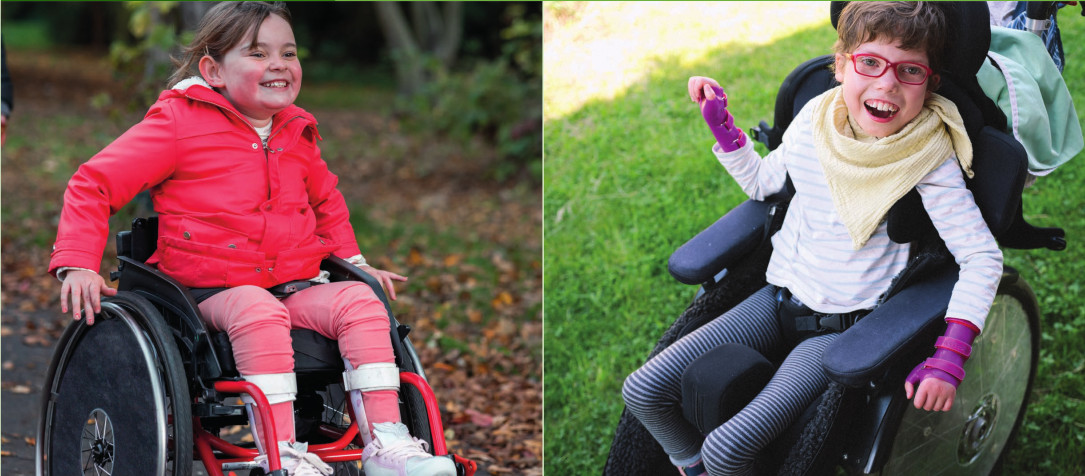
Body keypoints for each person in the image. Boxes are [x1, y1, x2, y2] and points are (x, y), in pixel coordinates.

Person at [47, 3, 455, 476]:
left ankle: (388, 445)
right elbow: (93, 182)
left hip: (291, 284)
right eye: (258, 53)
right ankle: (281, 455)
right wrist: (78, 261)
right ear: (213, 70)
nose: (279, 63)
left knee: (360, 302)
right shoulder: (178, 124)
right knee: (257, 310)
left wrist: (354, 260)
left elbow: (327, 202)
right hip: (206, 294)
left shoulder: (296, 131)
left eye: (288, 52)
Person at [621, 2, 1003, 475]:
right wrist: (723, 128)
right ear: (840, 65)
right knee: (643, 391)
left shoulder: (927, 156)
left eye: (909, 71)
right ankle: (692, 467)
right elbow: (765, 184)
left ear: (931, 82)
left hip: (840, 327)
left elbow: (982, 258)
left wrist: (949, 356)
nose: (886, 84)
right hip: (777, 297)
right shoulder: (816, 118)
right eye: (870, 63)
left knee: (728, 449)